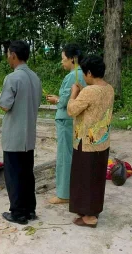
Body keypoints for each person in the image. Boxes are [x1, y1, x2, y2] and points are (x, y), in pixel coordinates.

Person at [0, 40, 42, 225]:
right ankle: (29, 210)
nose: (7, 58)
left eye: (8, 54)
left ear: (13, 55)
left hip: (14, 135)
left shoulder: (12, 78)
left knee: (14, 175)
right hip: (28, 135)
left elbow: (6, 105)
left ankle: (17, 213)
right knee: (27, 174)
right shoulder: (35, 78)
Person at [67, 55, 114, 228]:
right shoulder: (109, 88)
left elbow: (72, 110)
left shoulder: (89, 91)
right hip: (102, 141)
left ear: (88, 73)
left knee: (84, 178)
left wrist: (74, 93)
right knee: (96, 178)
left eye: (84, 74)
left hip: (86, 141)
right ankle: (91, 210)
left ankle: (89, 217)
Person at [46, 44, 86, 204]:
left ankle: (63, 194)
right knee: (74, 154)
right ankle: (73, 190)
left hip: (66, 119)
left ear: (72, 59)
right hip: (75, 120)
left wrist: (57, 99)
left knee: (64, 155)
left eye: (63, 59)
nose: (62, 62)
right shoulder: (84, 74)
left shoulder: (73, 75)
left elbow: (65, 100)